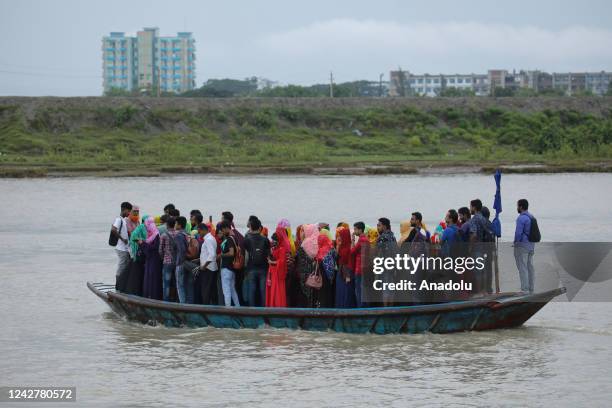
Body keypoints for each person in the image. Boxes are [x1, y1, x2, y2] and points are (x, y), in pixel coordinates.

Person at [244, 218, 270, 307]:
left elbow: (246, 256)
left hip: (251, 267)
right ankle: (264, 310)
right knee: (263, 290)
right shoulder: (265, 239)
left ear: (250, 227)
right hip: (263, 268)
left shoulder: (247, 239)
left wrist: (245, 268)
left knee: (252, 289)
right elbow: (268, 254)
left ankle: (252, 310)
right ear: (260, 228)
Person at [514, 199, 536, 293]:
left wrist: (515, 243)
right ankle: (531, 289)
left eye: (518, 206)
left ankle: (524, 290)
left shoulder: (521, 218)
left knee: (522, 267)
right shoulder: (532, 217)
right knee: (530, 267)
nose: (517, 208)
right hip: (531, 246)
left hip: (522, 246)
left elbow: (518, 233)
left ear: (521, 207)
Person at [296, 224, 319, 308]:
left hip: (304, 275)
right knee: (312, 297)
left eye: (303, 231)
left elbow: (300, 260)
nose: (302, 233)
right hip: (313, 275)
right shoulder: (317, 243)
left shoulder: (304, 244)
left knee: (304, 298)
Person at [218, 220, 241, 306]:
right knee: (232, 290)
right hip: (232, 268)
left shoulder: (229, 239)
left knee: (226, 290)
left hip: (226, 268)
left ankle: (228, 309)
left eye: (222, 230)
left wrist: (221, 255)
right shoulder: (234, 238)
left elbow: (231, 253)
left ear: (226, 228)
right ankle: (237, 307)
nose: (222, 232)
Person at [125, 215, 148, 296]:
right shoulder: (142, 228)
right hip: (140, 256)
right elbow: (145, 240)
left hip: (136, 256)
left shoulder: (138, 228)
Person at [266, 228, 289, 307]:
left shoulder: (282, 249)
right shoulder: (274, 248)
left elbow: (282, 262)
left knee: (277, 290)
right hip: (272, 271)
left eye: (274, 240)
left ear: (278, 241)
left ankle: (277, 305)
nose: (273, 242)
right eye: (272, 240)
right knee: (273, 290)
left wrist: (272, 262)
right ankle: (272, 305)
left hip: (277, 272)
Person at [196, 223, 219, 305]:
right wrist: (198, 259)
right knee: (212, 290)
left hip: (208, 269)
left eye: (199, 232)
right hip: (212, 268)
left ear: (203, 230)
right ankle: (214, 307)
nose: (199, 234)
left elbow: (212, 255)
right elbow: (208, 254)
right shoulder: (211, 238)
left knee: (205, 291)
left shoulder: (208, 239)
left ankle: (205, 309)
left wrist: (204, 266)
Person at [112, 202, 132, 291]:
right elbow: (113, 230)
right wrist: (122, 239)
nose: (129, 213)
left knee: (125, 266)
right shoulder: (119, 219)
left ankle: (122, 285)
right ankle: (118, 286)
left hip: (125, 248)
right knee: (121, 266)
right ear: (125, 209)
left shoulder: (123, 220)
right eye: (129, 211)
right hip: (121, 248)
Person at [335, 227, 355, 308]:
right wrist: (338, 246)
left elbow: (349, 262)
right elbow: (337, 258)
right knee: (340, 291)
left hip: (346, 273)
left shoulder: (348, 248)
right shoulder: (341, 246)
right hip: (341, 272)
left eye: (340, 236)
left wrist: (347, 276)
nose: (339, 237)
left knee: (345, 291)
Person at [142, 217, 163, 300]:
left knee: (152, 277)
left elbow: (154, 248)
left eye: (147, 226)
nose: (147, 228)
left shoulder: (156, 235)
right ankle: (149, 295)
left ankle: (153, 296)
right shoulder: (151, 235)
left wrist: (142, 244)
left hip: (154, 259)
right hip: (150, 259)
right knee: (149, 277)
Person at [158, 216, 178, 302]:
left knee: (166, 283)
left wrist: (163, 258)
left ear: (167, 225)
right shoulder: (179, 234)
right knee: (176, 282)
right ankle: (176, 300)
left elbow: (160, 250)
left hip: (167, 262)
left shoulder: (164, 235)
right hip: (177, 261)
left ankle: (166, 301)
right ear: (174, 225)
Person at [350, 222, 369, 307]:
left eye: (355, 229)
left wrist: (353, 240)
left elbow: (352, 251)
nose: (354, 231)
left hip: (359, 268)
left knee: (358, 291)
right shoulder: (366, 239)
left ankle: (360, 309)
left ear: (360, 230)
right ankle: (365, 308)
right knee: (364, 290)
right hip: (365, 268)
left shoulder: (361, 240)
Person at [174, 216, 192, 304]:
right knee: (186, 285)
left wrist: (180, 262)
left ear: (180, 225)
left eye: (176, 223)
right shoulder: (187, 234)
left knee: (179, 285)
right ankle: (188, 303)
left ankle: (182, 304)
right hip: (187, 262)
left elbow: (181, 250)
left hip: (180, 263)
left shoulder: (178, 235)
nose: (175, 225)